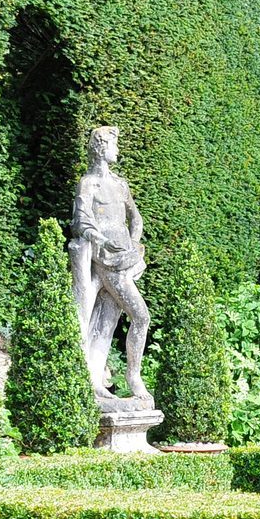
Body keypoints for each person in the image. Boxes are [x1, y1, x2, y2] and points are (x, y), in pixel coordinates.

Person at [70, 126, 152, 402]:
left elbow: (136, 218)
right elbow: (81, 221)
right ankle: (134, 379)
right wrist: (102, 241)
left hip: (126, 257)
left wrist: (133, 244)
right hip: (106, 259)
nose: (117, 149)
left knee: (107, 321)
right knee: (141, 316)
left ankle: (98, 379)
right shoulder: (89, 183)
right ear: (100, 148)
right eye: (114, 144)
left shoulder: (120, 184)